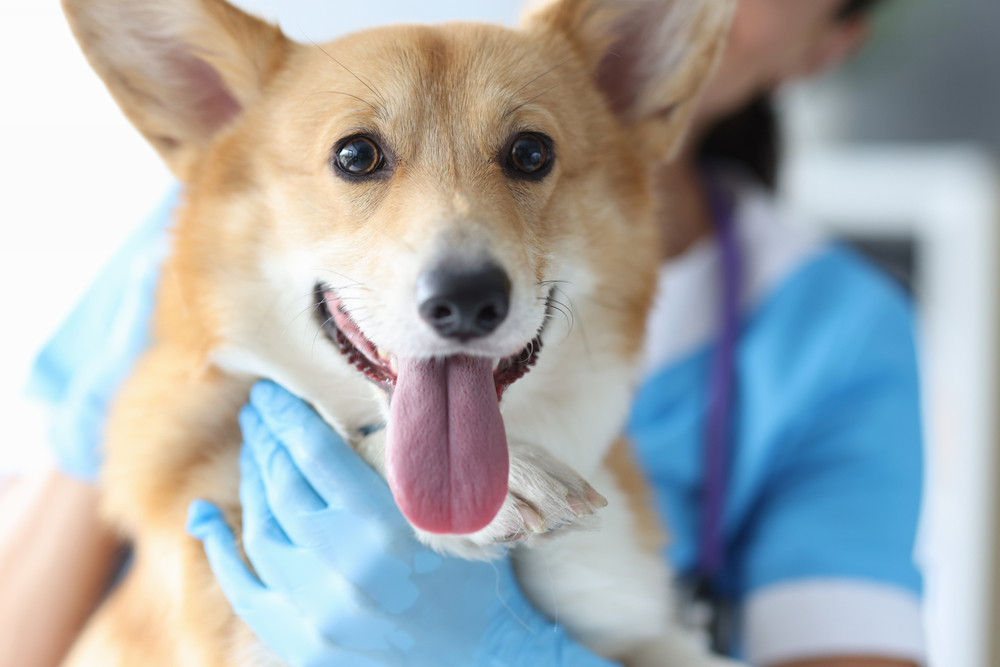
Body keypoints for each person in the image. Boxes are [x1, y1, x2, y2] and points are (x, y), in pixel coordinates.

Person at [0, 0, 923, 666]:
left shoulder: (838, 331)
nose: (455, 271)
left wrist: (515, 650)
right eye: (359, 158)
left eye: (527, 155)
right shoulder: (203, 239)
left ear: (830, 43)